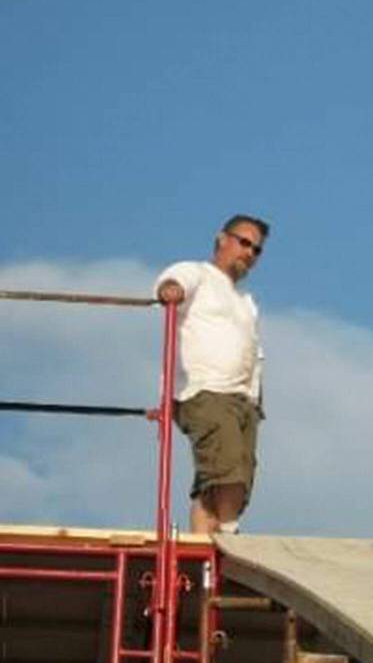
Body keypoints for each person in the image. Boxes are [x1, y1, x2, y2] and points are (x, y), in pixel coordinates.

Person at [154, 215, 269, 534]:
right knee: (229, 468)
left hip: (242, 399)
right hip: (205, 391)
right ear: (222, 239)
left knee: (224, 480)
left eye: (257, 250)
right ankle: (230, 536)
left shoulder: (244, 302)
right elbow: (174, 281)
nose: (249, 252)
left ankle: (202, 552)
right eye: (244, 242)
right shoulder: (199, 274)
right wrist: (171, 289)